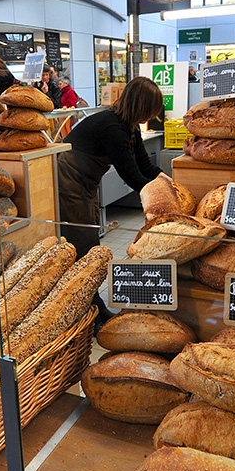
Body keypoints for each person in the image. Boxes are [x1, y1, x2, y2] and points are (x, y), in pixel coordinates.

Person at [56, 77, 168, 323]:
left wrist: (167, 183)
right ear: (141, 106)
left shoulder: (128, 125)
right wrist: (157, 198)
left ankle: (91, 306)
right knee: (83, 244)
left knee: (90, 238)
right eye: (151, 110)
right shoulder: (113, 128)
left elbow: (144, 164)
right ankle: (91, 312)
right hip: (70, 181)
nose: (153, 115)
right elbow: (131, 174)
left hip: (85, 182)